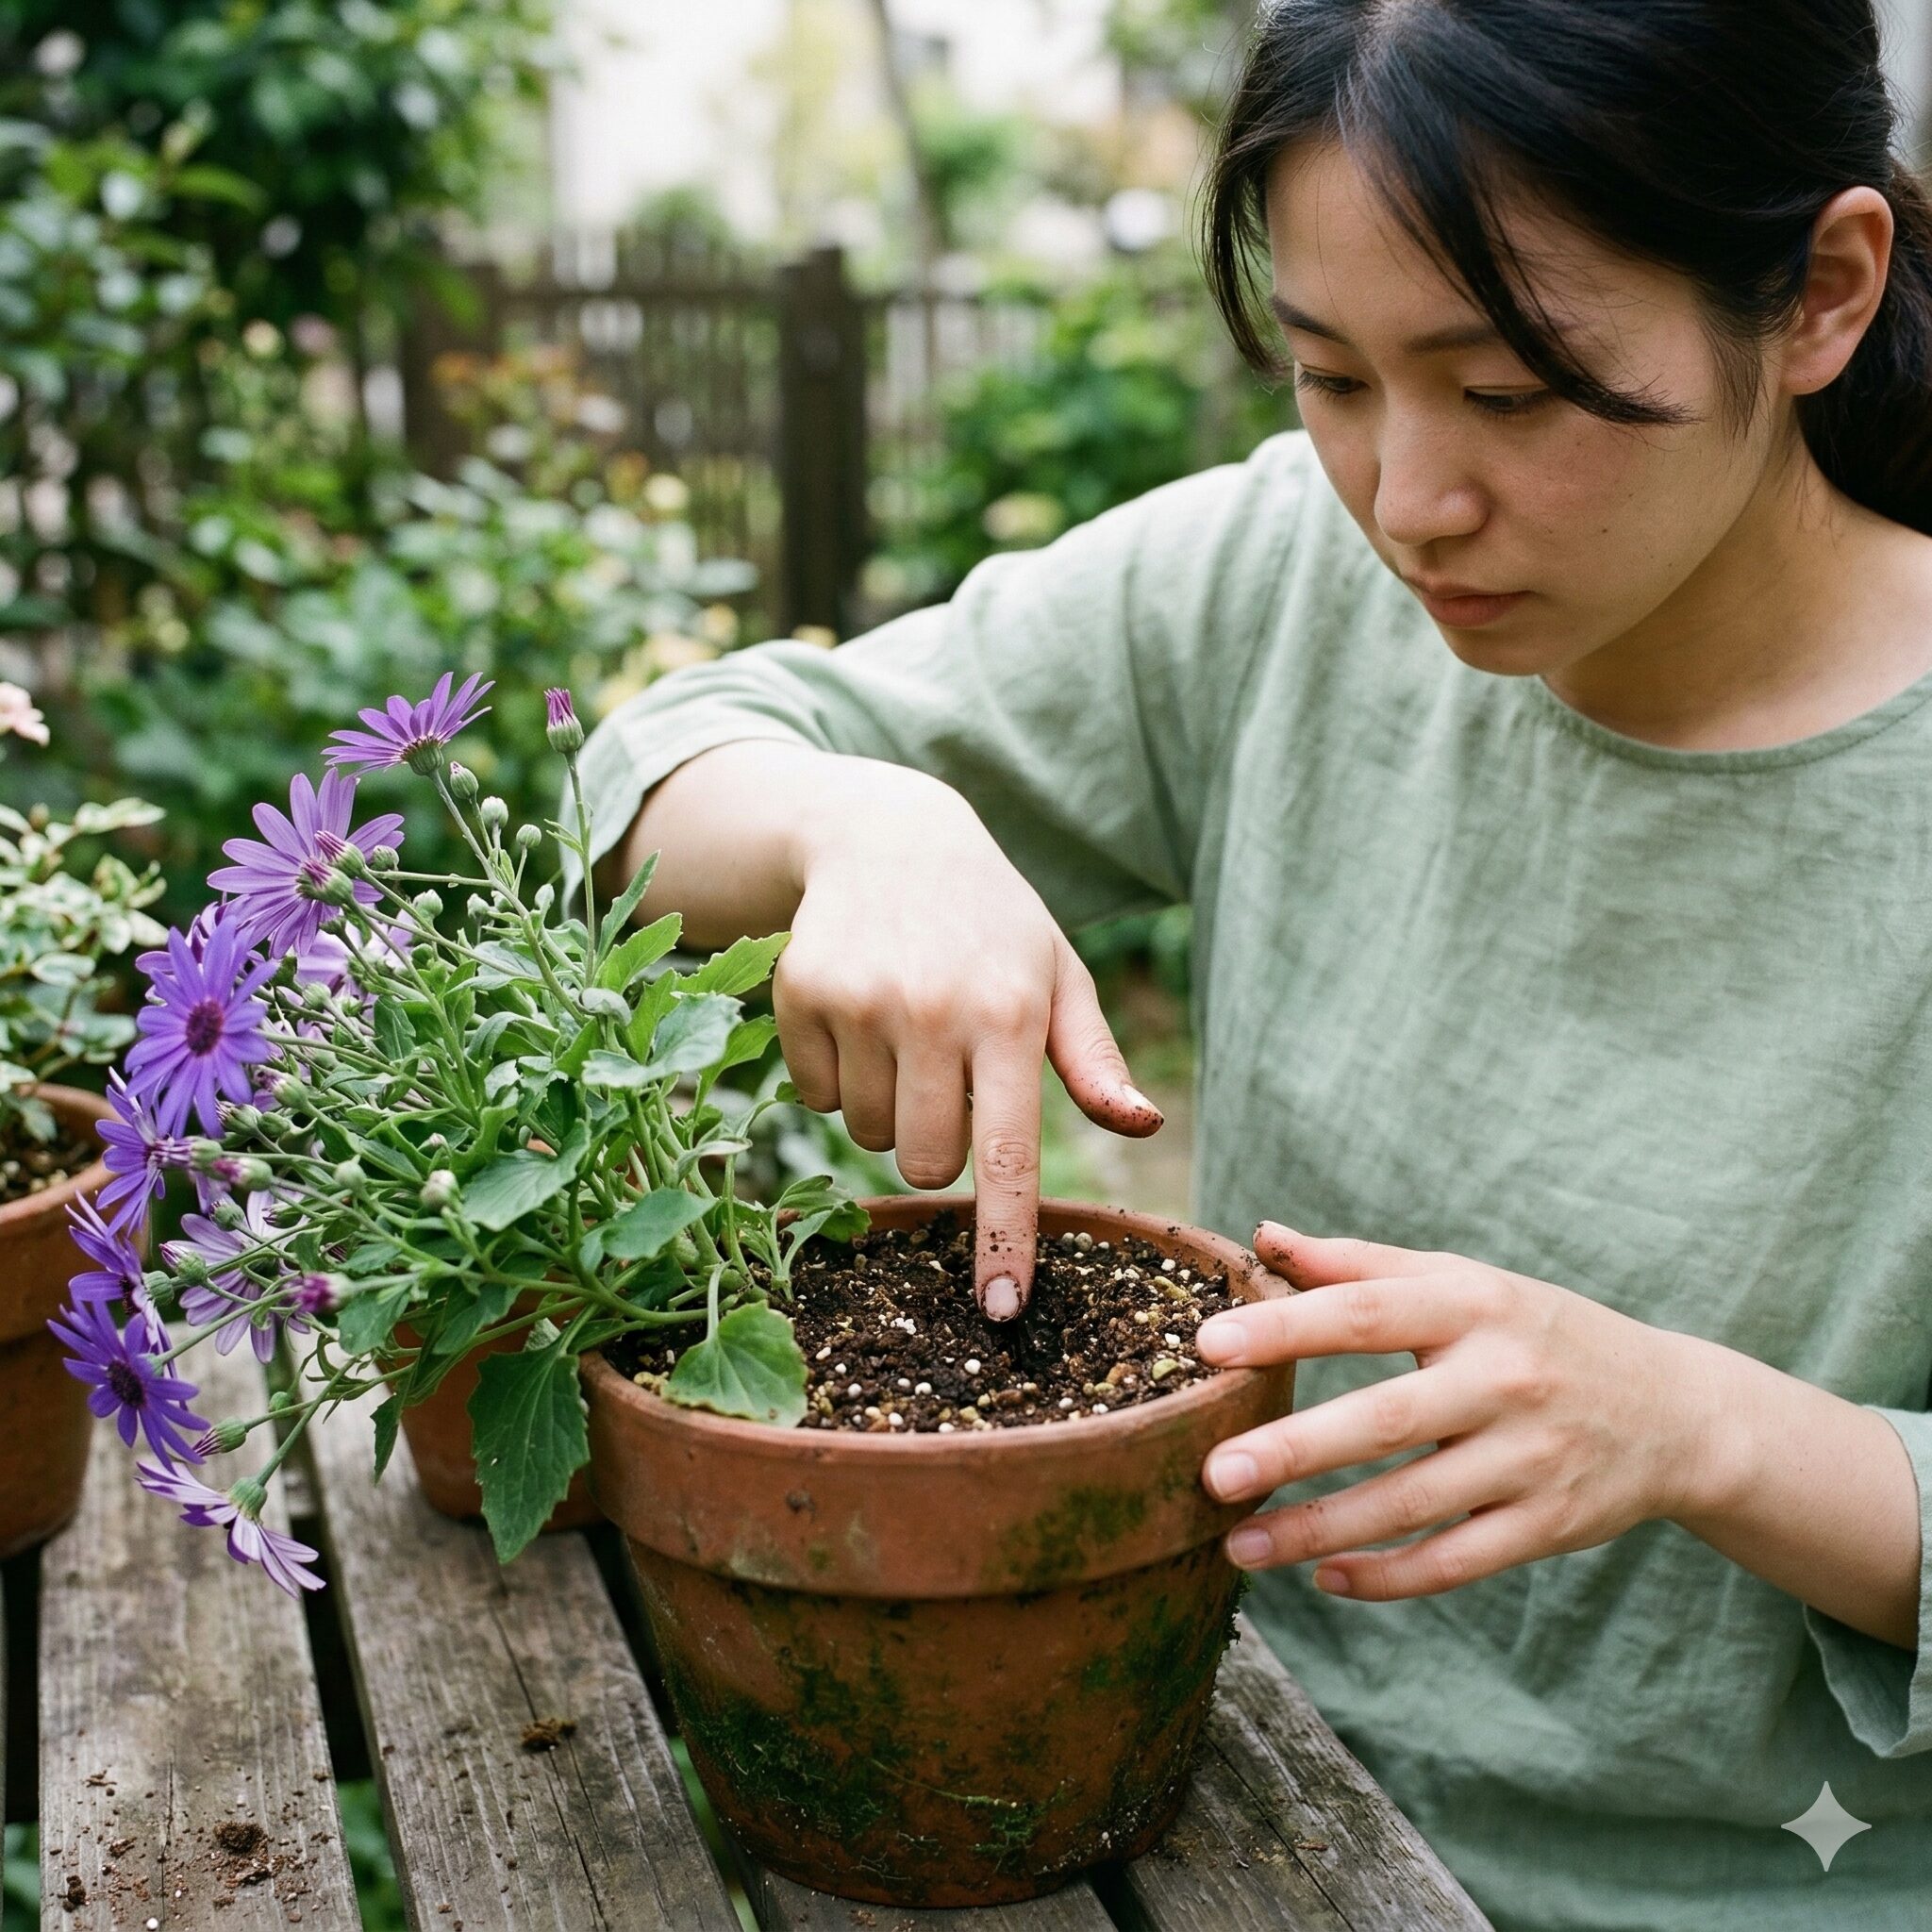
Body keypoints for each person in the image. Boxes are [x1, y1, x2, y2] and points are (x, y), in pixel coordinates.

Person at [577, 3, 1932, 1924]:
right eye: (1330, 376)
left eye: (1512, 390)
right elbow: (659, 768)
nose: (1405, 502)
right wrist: (857, 822)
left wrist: (1706, 1427)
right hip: (1222, 1788)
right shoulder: (1275, 579)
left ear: (1819, 292)